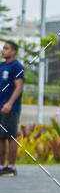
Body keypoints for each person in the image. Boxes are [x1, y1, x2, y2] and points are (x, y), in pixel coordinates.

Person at [0, 40, 25, 176]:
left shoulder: (16, 66)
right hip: (0, 106)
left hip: (10, 108)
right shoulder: (2, 66)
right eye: (3, 48)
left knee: (10, 137)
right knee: (1, 137)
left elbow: (19, 86)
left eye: (6, 48)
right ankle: (1, 166)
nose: (3, 51)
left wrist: (9, 103)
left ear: (14, 51)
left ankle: (11, 167)